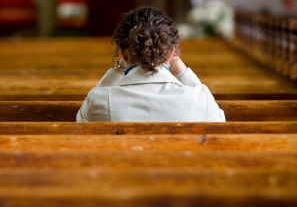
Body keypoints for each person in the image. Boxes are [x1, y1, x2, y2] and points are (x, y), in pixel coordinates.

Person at [76, 7, 225, 122]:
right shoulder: (199, 98)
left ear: (123, 53)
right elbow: (219, 124)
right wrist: (178, 66)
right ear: (171, 53)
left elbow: (82, 122)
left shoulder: (98, 100)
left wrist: (119, 67)